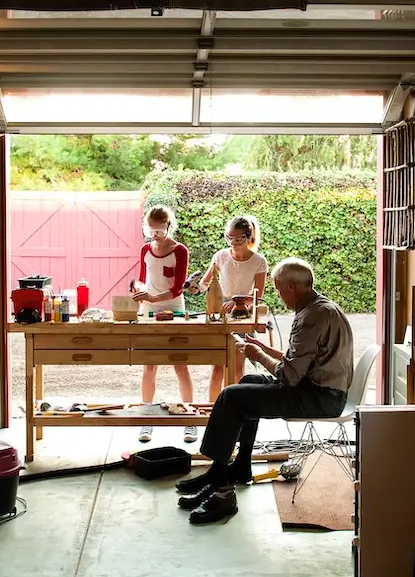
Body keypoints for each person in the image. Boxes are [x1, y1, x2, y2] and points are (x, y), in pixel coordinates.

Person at [175, 258, 354, 525]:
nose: (279, 296)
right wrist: (266, 349)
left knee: (231, 396)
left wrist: (258, 355)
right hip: (322, 390)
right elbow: (302, 362)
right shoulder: (321, 308)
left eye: (280, 290)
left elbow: (290, 376)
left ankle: (220, 484)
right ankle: (241, 465)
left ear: (292, 286)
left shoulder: (310, 317)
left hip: (319, 398)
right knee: (248, 380)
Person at [133, 205, 194, 443]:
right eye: (151, 230)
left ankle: (190, 418)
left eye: (160, 230)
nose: (156, 235)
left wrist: (154, 297)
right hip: (148, 307)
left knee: (180, 364)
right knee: (150, 365)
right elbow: (141, 278)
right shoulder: (145, 249)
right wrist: (138, 291)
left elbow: (178, 286)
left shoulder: (180, 251)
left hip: (174, 307)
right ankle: (146, 418)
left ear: (169, 226)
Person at [193, 214, 268, 401]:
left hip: (242, 316)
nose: (233, 242)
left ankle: (237, 410)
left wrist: (237, 302)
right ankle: (212, 410)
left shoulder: (258, 261)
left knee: (236, 368)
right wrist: (195, 287)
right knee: (217, 366)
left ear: (249, 236)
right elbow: (205, 283)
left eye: (238, 238)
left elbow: (258, 295)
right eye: (229, 237)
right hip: (220, 315)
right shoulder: (220, 256)